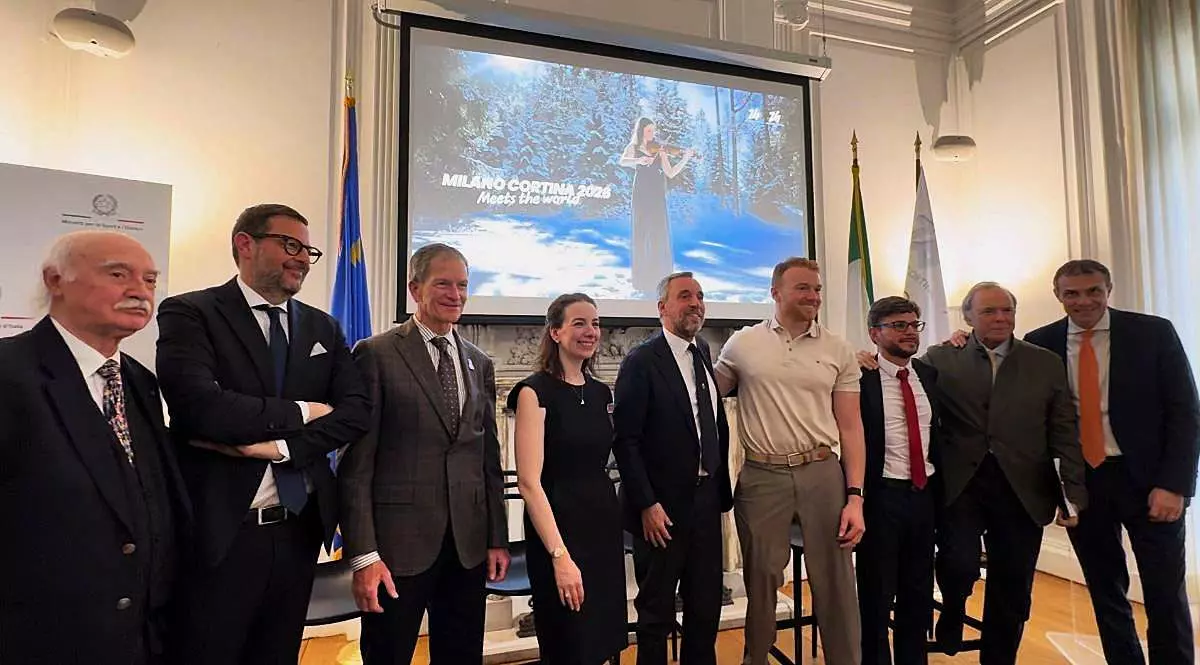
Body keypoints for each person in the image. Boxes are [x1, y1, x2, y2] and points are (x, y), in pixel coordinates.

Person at [156, 204, 371, 665]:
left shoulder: (322, 326)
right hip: (222, 533)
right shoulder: (192, 313)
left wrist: (281, 448)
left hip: (298, 530)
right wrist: (304, 410)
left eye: (308, 251)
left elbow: (356, 412)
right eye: (290, 245)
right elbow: (202, 409)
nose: (302, 259)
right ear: (245, 244)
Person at [0, 230, 190, 665]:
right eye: (118, 274)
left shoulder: (140, 381)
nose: (139, 291)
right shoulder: (9, 374)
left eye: (149, 280)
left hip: (139, 639)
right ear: (55, 280)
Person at [340, 242, 509, 664]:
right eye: (443, 284)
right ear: (415, 289)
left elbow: (487, 459)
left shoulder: (479, 363)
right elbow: (356, 466)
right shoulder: (376, 354)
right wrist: (364, 554)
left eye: (463, 285)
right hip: (398, 548)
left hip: (467, 547)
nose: (456, 294)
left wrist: (497, 538)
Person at [1025, 260, 1198, 665]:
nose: (1083, 301)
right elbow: (1032, 416)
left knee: (1164, 591)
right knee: (1105, 590)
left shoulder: (1153, 333)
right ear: (1058, 295)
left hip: (1151, 482)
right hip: (1083, 483)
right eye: (1072, 293)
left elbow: (1185, 411)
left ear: (1109, 289)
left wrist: (1175, 485)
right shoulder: (1039, 342)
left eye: (1093, 291)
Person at [923, 281, 1086, 665]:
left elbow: (1064, 430)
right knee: (958, 563)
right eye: (988, 311)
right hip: (962, 485)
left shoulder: (1044, 362)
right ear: (968, 318)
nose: (1000, 318)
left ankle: (999, 658)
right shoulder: (941, 358)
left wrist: (1072, 492)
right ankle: (953, 606)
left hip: (1023, 489)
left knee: (1013, 584)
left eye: (1006, 310)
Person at [714, 257, 866, 665]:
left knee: (835, 580)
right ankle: (756, 658)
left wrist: (855, 497)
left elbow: (851, 427)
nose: (813, 296)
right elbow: (705, 397)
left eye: (817, 289)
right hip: (762, 476)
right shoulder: (742, 344)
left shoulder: (838, 348)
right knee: (761, 578)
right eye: (803, 288)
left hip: (822, 473)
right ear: (775, 292)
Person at [613, 272, 734, 665]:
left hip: (705, 503)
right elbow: (626, 441)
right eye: (685, 296)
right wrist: (647, 504)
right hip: (661, 511)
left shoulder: (703, 352)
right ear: (662, 308)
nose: (696, 303)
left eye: (700, 295)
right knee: (656, 613)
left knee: (705, 607)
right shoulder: (641, 361)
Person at [509, 293, 628, 664]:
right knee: (569, 645)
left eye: (595, 323)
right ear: (555, 332)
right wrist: (560, 557)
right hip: (559, 533)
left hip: (602, 530)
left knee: (602, 642)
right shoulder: (534, 392)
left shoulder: (601, 392)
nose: (590, 331)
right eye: (579, 323)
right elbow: (529, 483)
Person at [856, 296, 943, 665]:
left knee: (918, 592)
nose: (910, 332)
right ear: (874, 333)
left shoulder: (930, 375)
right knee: (876, 594)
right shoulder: (860, 377)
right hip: (881, 497)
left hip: (924, 496)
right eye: (898, 325)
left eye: (914, 325)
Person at [619, 116, 695, 296]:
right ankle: (641, 280)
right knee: (641, 234)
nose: (652, 134)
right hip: (640, 195)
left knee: (658, 235)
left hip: (656, 196)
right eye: (648, 130)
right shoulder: (634, 147)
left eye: (653, 130)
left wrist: (685, 158)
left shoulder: (660, 149)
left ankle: (660, 280)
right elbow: (622, 161)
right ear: (641, 131)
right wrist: (638, 161)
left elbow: (671, 173)